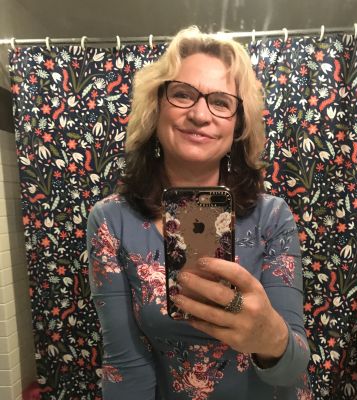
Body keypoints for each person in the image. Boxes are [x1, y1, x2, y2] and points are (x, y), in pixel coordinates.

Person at [87, 26, 311, 400]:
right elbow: (124, 366)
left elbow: (292, 369)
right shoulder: (112, 220)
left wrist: (270, 337)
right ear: (156, 108)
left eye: (221, 102)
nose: (199, 114)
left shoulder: (272, 217)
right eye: (182, 94)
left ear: (238, 125)